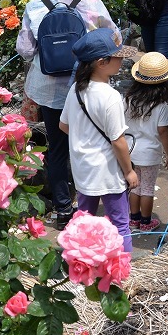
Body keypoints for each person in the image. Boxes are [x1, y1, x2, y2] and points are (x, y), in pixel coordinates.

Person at [17, 0, 119, 225]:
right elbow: (115, 39)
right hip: (87, 87)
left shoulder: (35, 5)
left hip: (49, 90)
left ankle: (63, 209)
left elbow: (25, 49)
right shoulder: (91, 2)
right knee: (97, 143)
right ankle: (97, 206)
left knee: (57, 150)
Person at [60, 27, 140, 252]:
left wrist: (85, 138)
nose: (121, 62)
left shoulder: (76, 89)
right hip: (107, 172)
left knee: (83, 220)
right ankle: (123, 266)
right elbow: (118, 141)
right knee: (120, 224)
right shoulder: (111, 96)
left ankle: (79, 257)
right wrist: (129, 172)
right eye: (118, 57)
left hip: (83, 168)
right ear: (101, 62)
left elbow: (63, 125)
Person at [124, 52, 168, 232]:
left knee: (134, 187)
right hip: (150, 154)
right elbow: (163, 131)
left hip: (130, 151)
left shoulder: (129, 100)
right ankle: (146, 222)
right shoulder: (160, 106)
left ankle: (134, 219)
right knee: (147, 188)